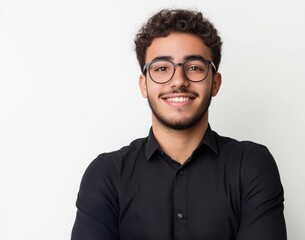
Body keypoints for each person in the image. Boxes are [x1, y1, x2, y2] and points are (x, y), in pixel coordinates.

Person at [71, 8, 286, 240]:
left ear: (215, 83)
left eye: (194, 67)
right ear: (144, 85)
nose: (178, 81)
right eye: (162, 68)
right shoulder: (107, 175)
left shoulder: (250, 166)